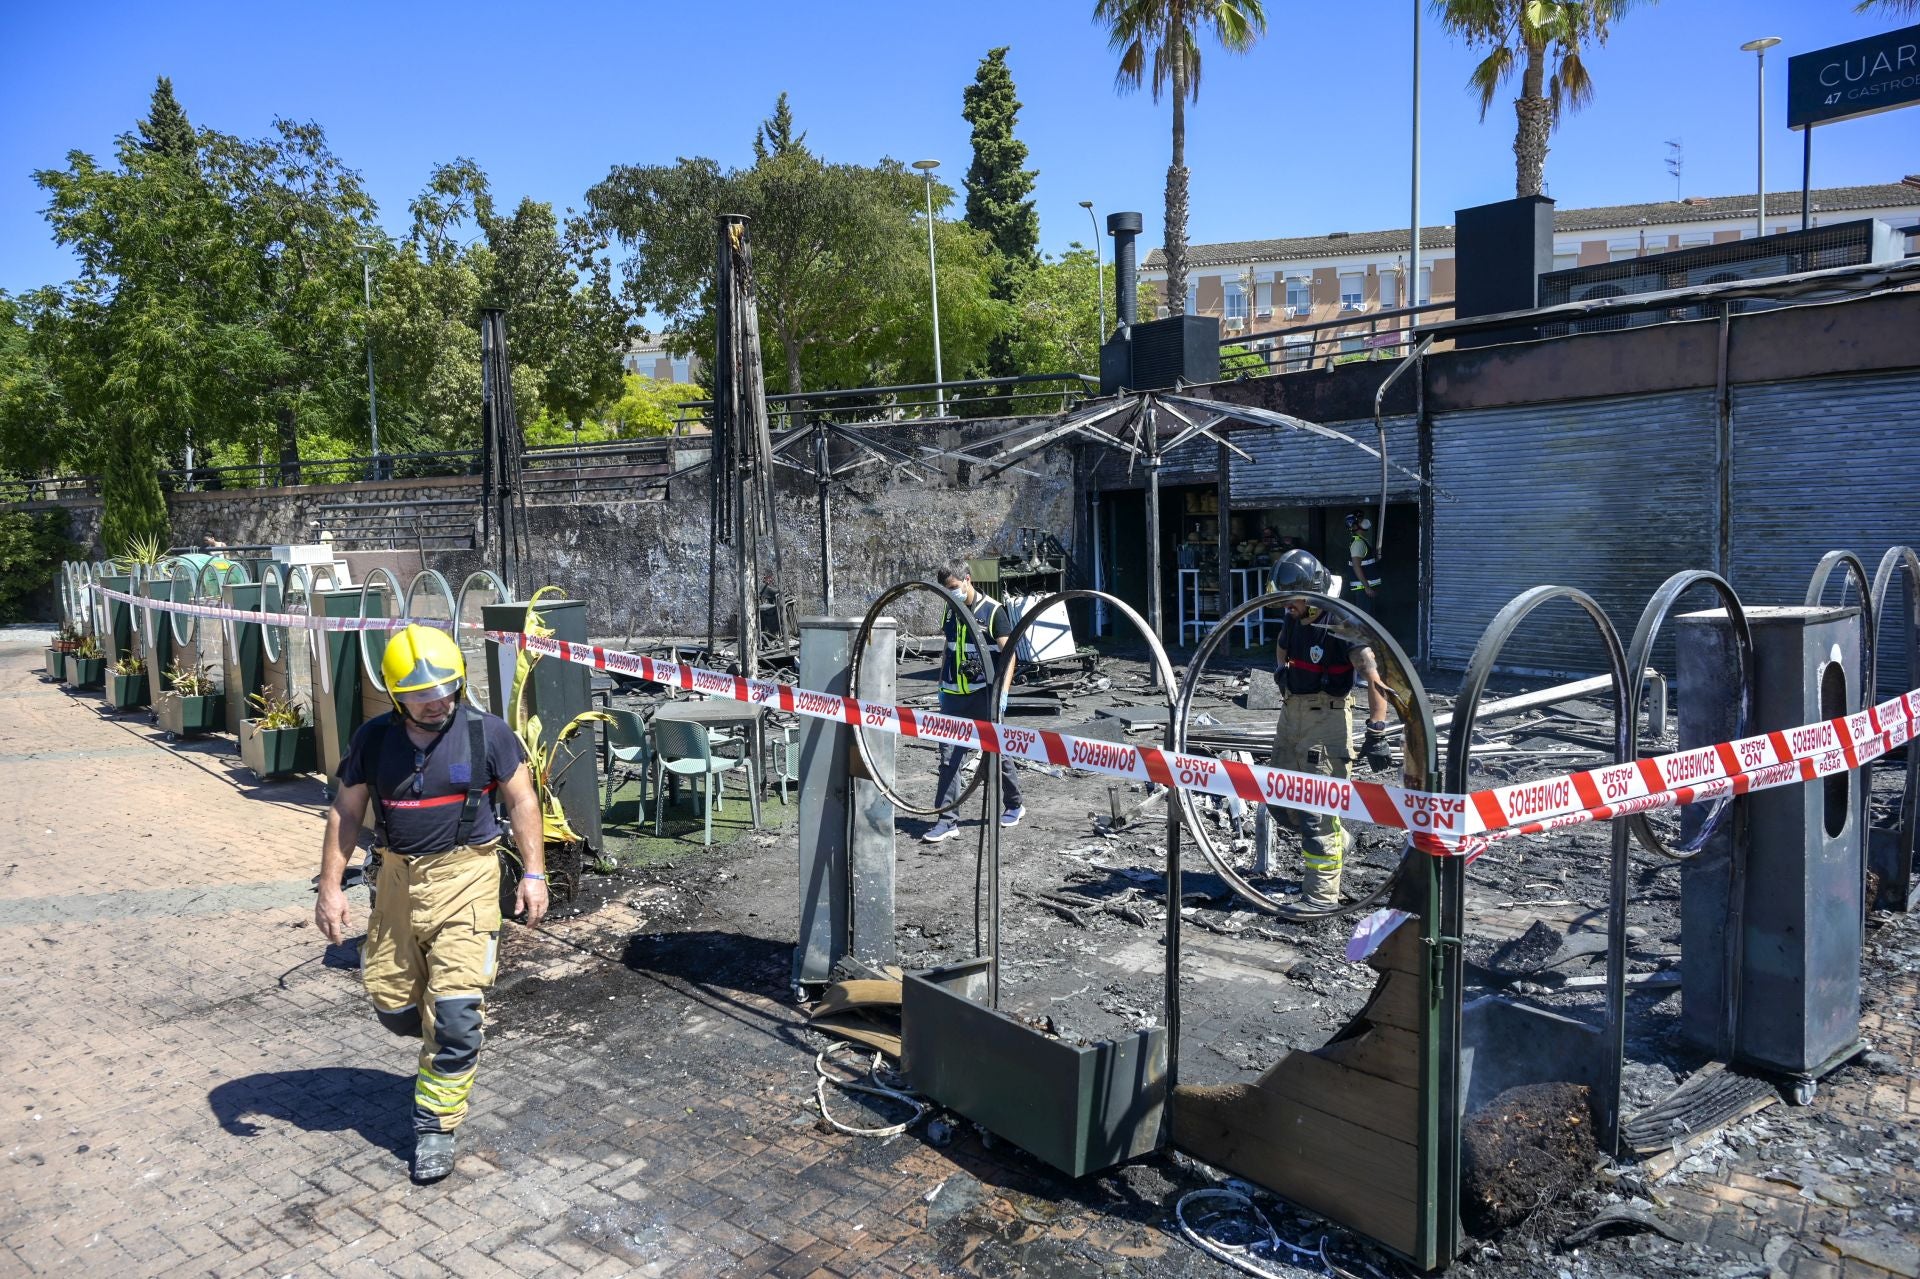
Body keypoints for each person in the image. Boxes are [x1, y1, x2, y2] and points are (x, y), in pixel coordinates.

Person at [313, 624, 548, 1182]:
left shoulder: (487, 734)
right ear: (397, 695)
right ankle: (442, 1050)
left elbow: (522, 799)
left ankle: (435, 1126)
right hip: (395, 884)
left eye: (446, 687)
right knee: (396, 1009)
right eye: (421, 693)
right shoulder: (374, 739)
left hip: (467, 879)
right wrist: (329, 887)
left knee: (456, 1018)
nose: (436, 700)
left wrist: (533, 874)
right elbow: (346, 813)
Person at [1267, 549, 1395, 909]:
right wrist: (1283, 674)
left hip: (1328, 721)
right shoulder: (1295, 619)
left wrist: (1377, 730)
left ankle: (1321, 897)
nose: (1285, 607)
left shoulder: (1343, 625)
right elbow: (1282, 648)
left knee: (1316, 812)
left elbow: (1375, 678)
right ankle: (1338, 844)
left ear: (1312, 593)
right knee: (1279, 799)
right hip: (1292, 714)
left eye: (1291, 601)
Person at [922, 560, 1024, 843]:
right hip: (954, 697)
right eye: (946, 590)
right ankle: (947, 819)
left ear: (967, 580)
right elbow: (949, 647)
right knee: (949, 758)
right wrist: (941, 684)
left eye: (954, 588)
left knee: (997, 752)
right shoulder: (950, 609)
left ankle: (1014, 804)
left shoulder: (993, 612)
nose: (950, 593)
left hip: (984, 695)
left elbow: (1010, 655)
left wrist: (1002, 694)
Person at [1344, 512, 1382, 601]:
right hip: (1363, 590)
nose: (1363, 521)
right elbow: (1356, 566)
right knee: (1364, 614)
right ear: (1354, 526)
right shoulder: (1358, 543)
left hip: (1367, 589)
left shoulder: (1362, 541)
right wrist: (1367, 587)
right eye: (1360, 521)